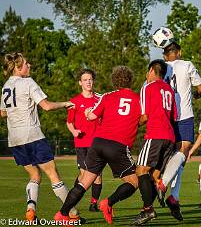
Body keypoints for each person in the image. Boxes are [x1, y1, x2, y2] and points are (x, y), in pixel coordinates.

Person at [54, 66, 141, 225]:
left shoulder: (106, 96)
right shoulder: (137, 99)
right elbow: (143, 118)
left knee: (84, 181)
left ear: (114, 81)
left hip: (98, 143)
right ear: (131, 80)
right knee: (134, 182)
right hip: (117, 146)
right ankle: (107, 203)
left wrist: (87, 113)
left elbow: (92, 115)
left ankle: (62, 213)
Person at [0, 52, 80, 222]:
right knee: (53, 175)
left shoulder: (6, 86)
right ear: (19, 67)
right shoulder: (27, 82)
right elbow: (47, 106)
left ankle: (31, 209)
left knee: (34, 176)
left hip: (15, 139)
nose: (29, 66)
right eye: (27, 64)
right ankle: (71, 213)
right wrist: (65, 103)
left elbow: (2, 113)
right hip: (33, 136)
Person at [156, 41, 201, 221]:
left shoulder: (159, 68)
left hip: (166, 116)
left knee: (178, 158)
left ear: (164, 55)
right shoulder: (187, 64)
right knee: (184, 151)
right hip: (184, 115)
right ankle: (163, 184)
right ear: (179, 52)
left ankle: (174, 197)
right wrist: (197, 95)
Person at [131, 59, 177, 225]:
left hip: (155, 135)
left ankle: (148, 210)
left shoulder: (147, 87)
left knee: (141, 171)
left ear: (151, 70)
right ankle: (154, 194)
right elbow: (174, 117)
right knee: (152, 176)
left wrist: (129, 126)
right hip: (169, 137)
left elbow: (144, 116)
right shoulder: (170, 90)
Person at [66, 68, 102, 212]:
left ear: (93, 81)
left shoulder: (100, 99)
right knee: (83, 175)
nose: (88, 82)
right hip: (82, 144)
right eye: (85, 80)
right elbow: (69, 122)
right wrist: (74, 131)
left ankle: (94, 204)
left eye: (90, 79)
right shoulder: (74, 101)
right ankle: (71, 201)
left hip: (97, 143)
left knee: (97, 176)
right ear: (80, 83)